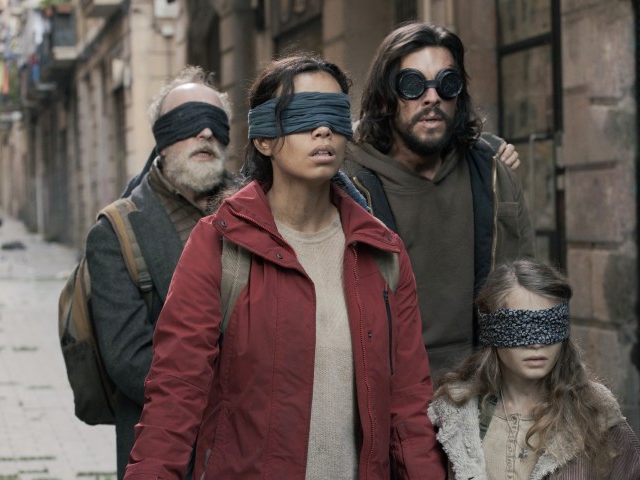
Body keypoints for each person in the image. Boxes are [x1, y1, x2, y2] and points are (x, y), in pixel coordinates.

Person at [124, 54, 446, 479]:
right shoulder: (219, 244)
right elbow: (176, 392)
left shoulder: (382, 252)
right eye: (302, 115)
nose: (323, 128)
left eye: (334, 113)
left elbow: (408, 403)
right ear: (264, 139)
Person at [344, 22, 536, 378]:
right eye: (413, 85)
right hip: (385, 397)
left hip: (482, 391)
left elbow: (528, 290)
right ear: (386, 98)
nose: (432, 97)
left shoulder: (492, 172)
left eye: (447, 84)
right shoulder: (346, 182)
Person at [85, 66, 239, 479]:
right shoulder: (116, 232)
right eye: (188, 122)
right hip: (169, 452)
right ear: (163, 138)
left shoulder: (260, 208)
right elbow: (128, 359)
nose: (205, 134)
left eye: (215, 123)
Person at [428, 259, 640, 479]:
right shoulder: (454, 415)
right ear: (492, 331)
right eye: (521, 327)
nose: (536, 343)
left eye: (549, 326)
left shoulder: (596, 414)